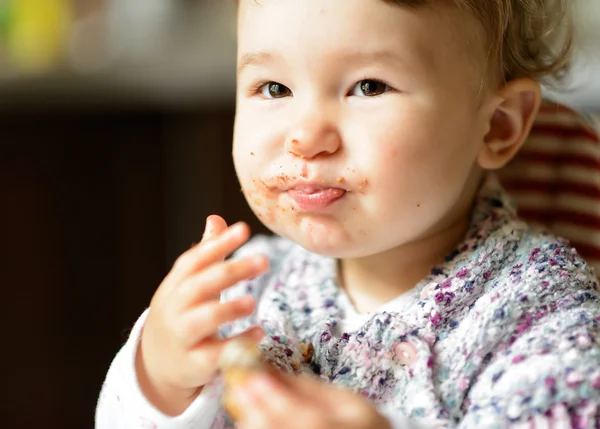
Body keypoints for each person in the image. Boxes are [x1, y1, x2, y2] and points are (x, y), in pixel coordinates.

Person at [95, 0, 600, 428]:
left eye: (370, 87)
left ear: (496, 127)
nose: (306, 137)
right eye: (274, 88)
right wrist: (158, 380)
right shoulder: (241, 292)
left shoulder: (541, 314)